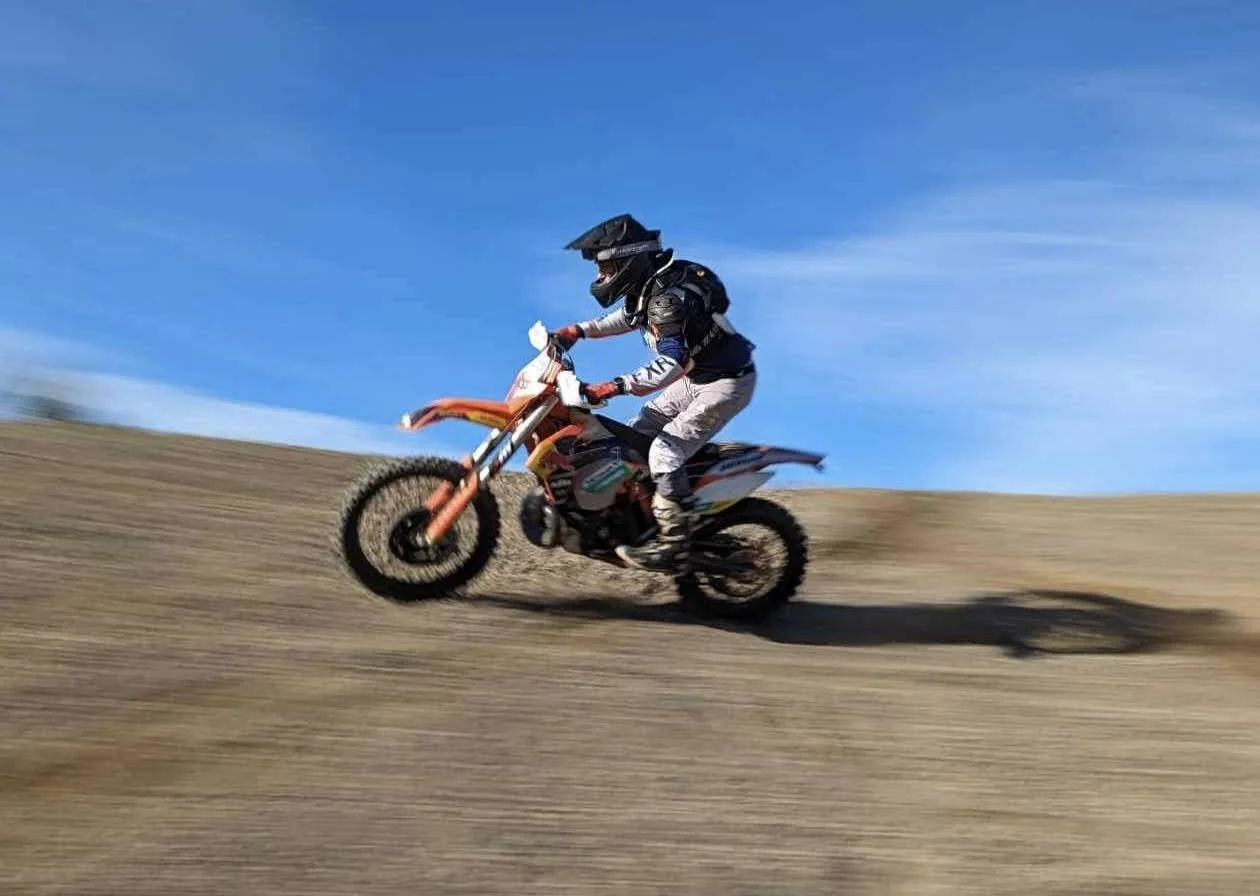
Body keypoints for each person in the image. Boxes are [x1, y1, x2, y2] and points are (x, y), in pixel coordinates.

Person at [551, 212, 757, 573]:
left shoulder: (668, 300)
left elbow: (671, 364)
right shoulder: (649, 288)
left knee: (664, 451)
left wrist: (614, 386)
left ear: (629, 261)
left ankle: (676, 541)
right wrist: (579, 330)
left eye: (605, 268)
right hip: (699, 377)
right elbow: (628, 318)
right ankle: (643, 513)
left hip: (724, 384)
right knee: (640, 433)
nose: (600, 277)